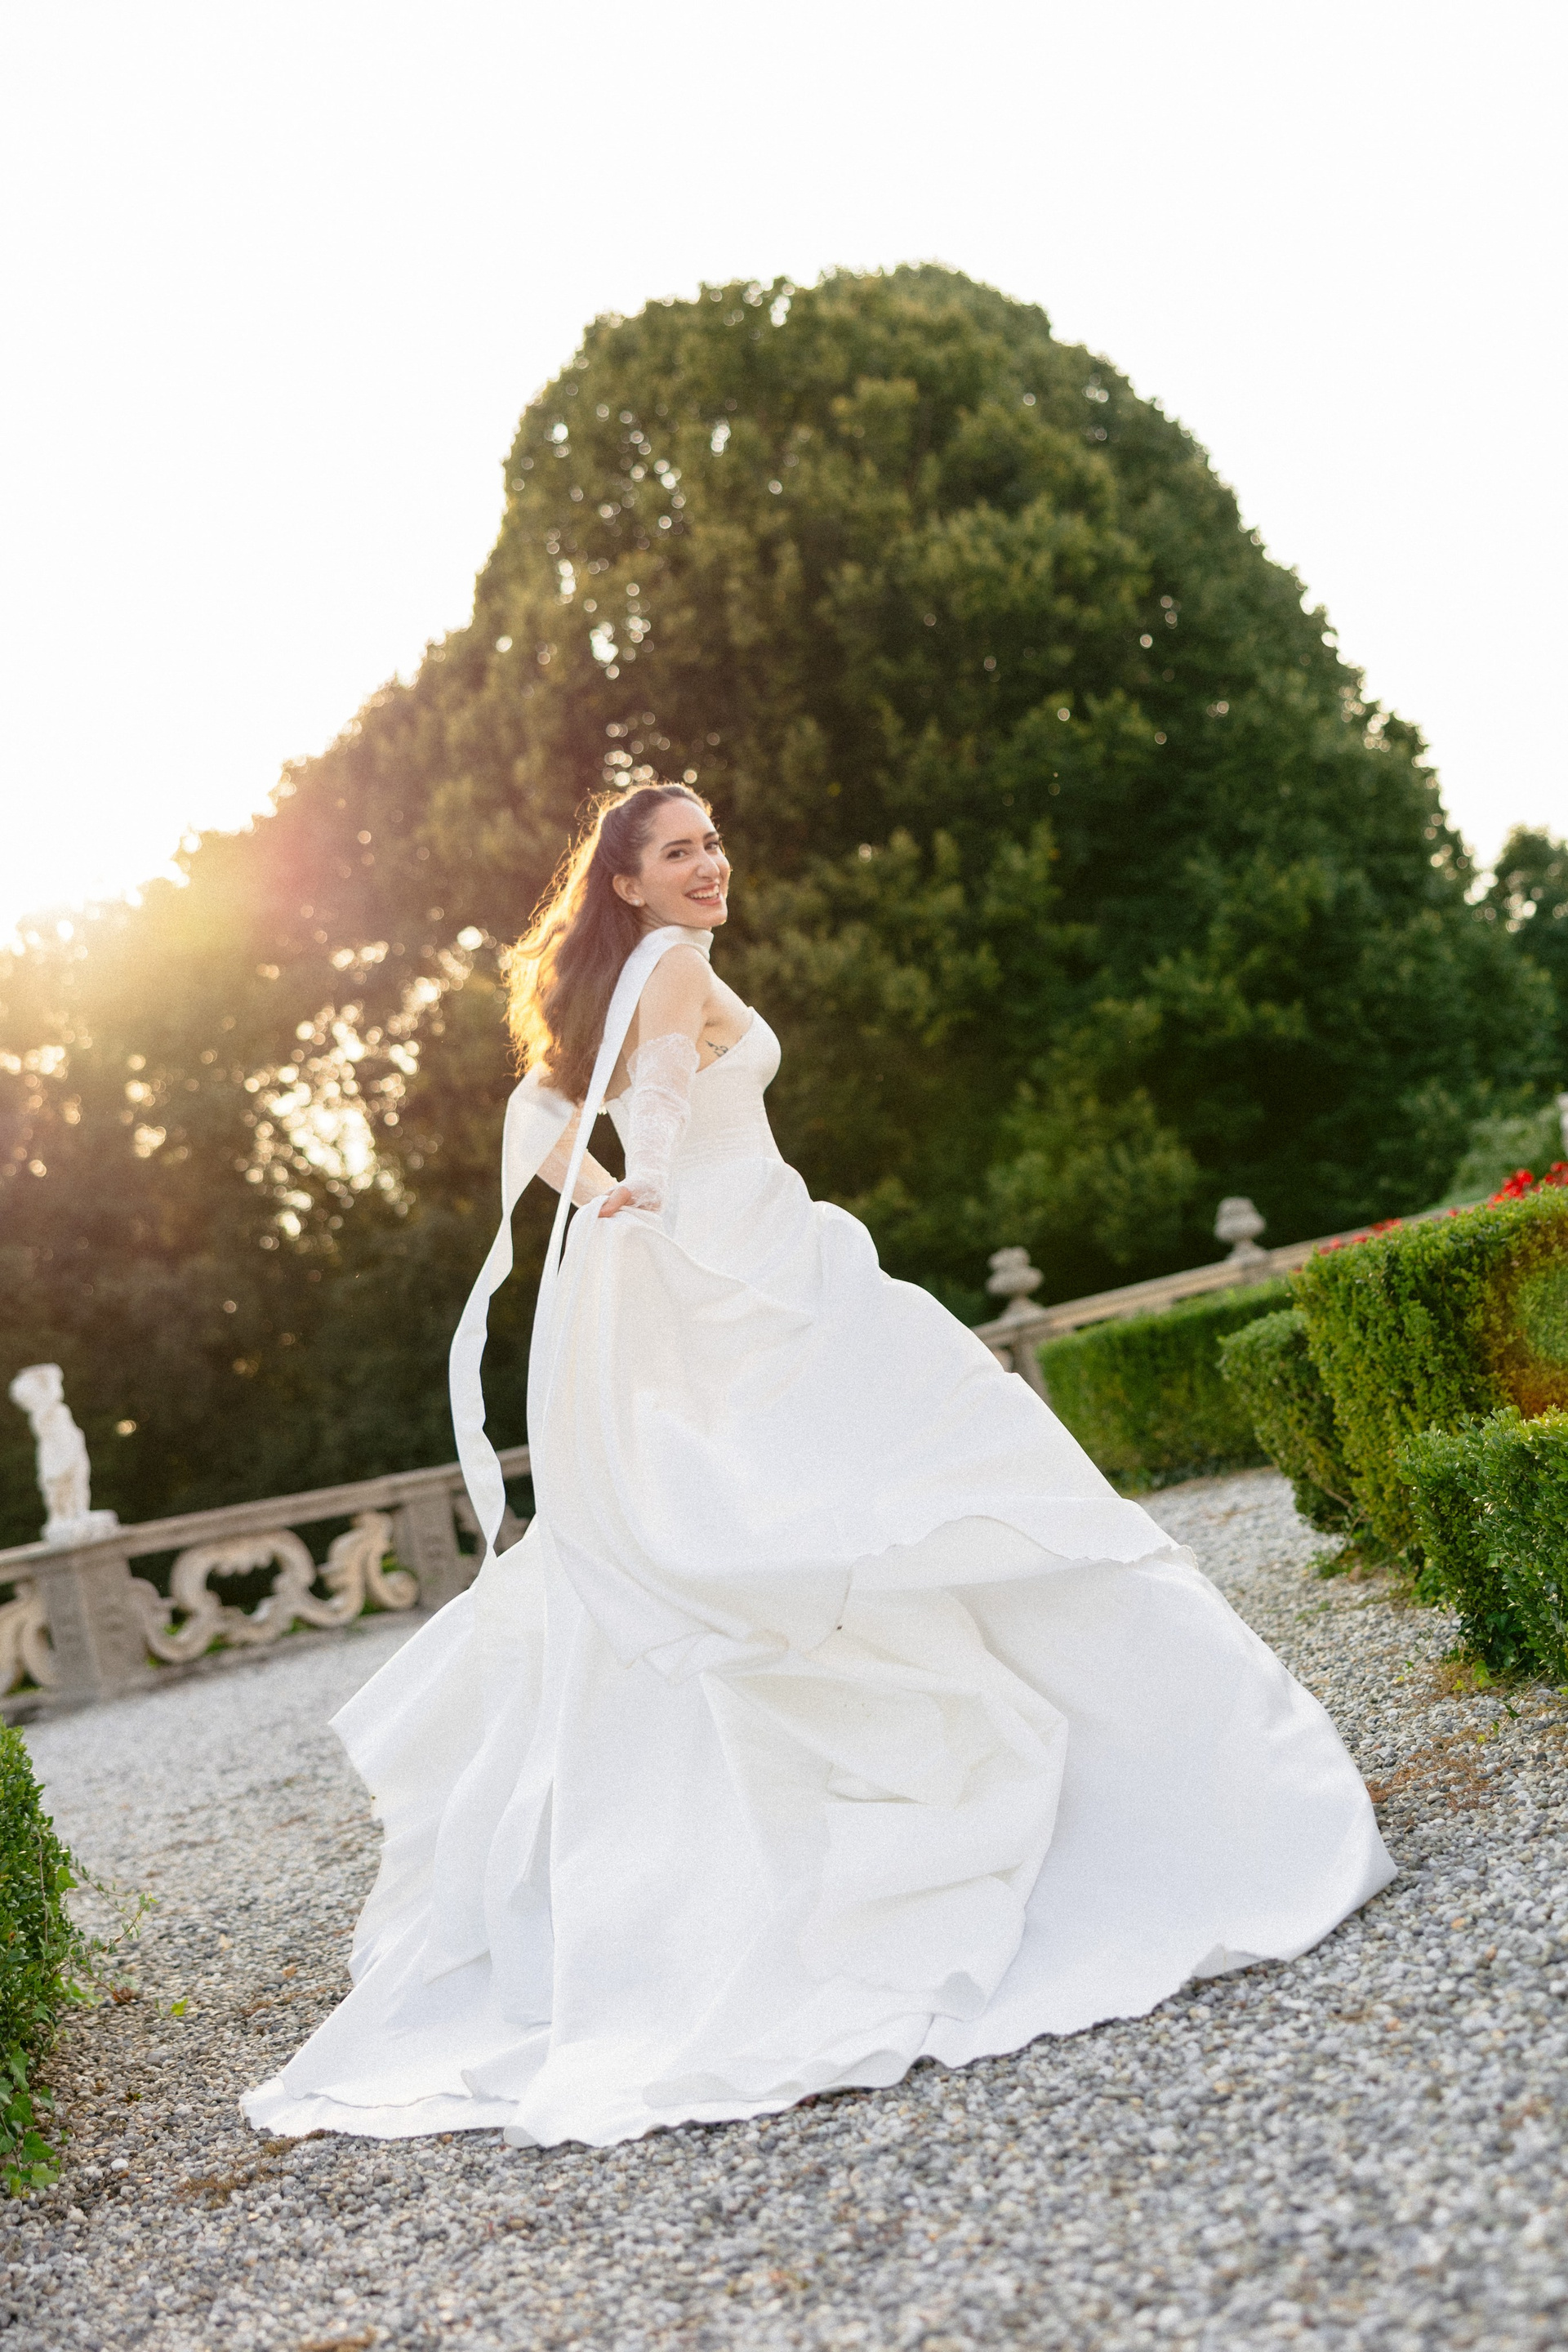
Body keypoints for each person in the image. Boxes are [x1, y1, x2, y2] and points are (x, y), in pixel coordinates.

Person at [244, 782, 1393, 2152]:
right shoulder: (671, 967)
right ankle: (1131, 1812)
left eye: (714, 842)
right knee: (905, 1491)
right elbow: (655, 1098)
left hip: (729, 1247)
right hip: (748, 1258)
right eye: (680, 851)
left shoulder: (623, 980)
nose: (711, 865)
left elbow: (534, 1109)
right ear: (626, 882)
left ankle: (751, 1872)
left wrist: (609, 1201)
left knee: (812, 1515)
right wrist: (640, 1186)